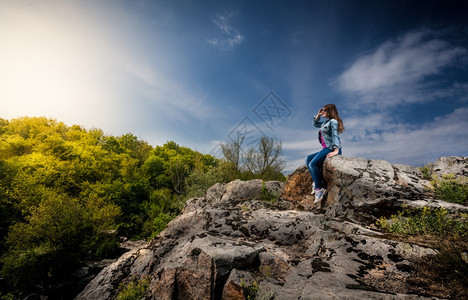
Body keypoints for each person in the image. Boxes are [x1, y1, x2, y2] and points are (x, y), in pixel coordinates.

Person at [306, 104, 344, 203]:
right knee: (308, 159)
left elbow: (335, 135)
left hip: (331, 148)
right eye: (322, 110)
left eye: (324, 110)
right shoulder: (325, 123)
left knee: (312, 164)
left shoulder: (333, 122)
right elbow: (315, 124)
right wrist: (318, 115)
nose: (323, 111)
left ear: (330, 111)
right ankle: (316, 180)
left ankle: (319, 188)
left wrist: (336, 150)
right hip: (326, 148)